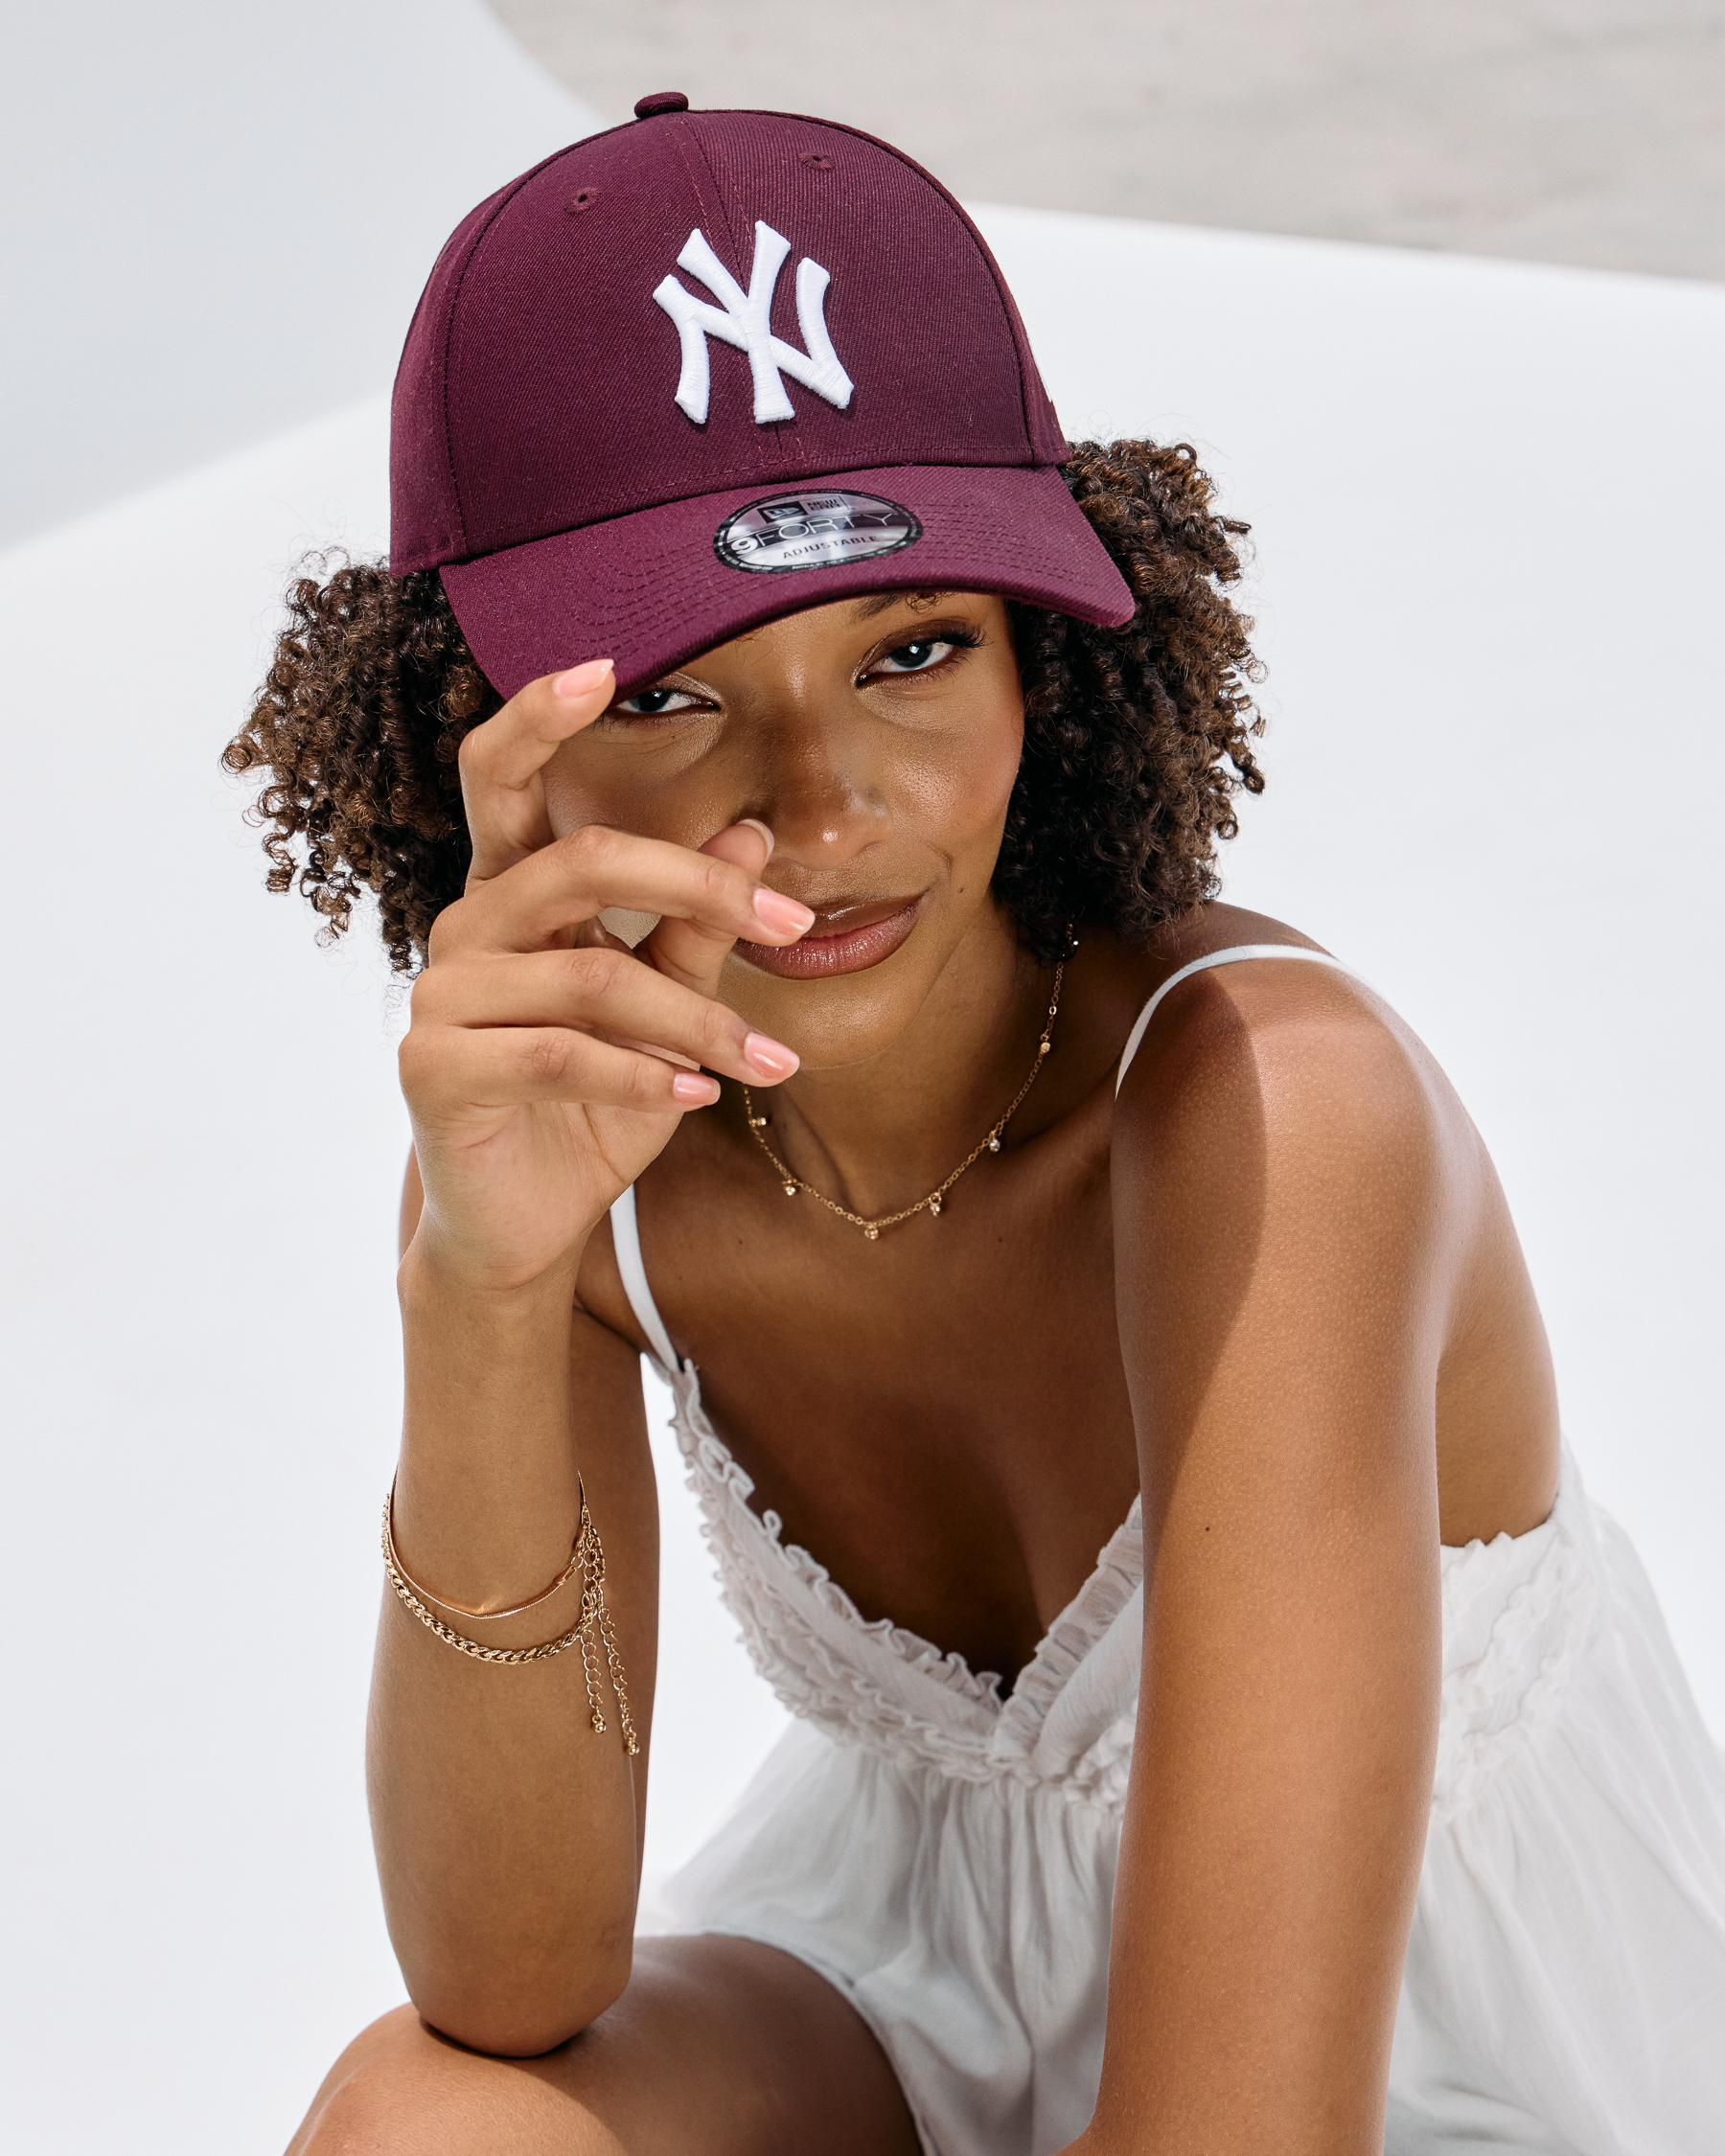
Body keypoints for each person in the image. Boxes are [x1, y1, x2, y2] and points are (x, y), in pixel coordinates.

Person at [225, 92, 1725, 2156]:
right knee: (431, 2124)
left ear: (1050, 663)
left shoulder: (1273, 1112)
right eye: (668, 691)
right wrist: (479, 1289)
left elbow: (1234, 2135)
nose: (825, 804)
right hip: (927, 1980)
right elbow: (510, 1983)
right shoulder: (581, 1157)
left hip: (1402, 2063)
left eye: (913, 649)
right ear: (483, 740)